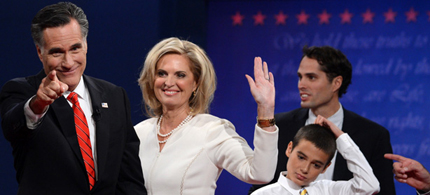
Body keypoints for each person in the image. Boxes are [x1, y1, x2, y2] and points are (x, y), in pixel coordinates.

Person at [0, 2, 146, 194]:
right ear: (39, 52)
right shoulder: (22, 91)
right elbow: (13, 126)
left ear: (86, 45)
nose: (68, 63)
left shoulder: (114, 96)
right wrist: (39, 104)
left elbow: (130, 179)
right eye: (57, 52)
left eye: (75, 48)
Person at [135, 37, 278, 194]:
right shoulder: (139, 133)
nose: (169, 82)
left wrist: (265, 109)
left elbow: (260, 174)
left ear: (196, 83)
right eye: (161, 73)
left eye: (180, 75)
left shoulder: (212, 131)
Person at [250, 46, 395, 194]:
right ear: (290, 148)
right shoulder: (280, 125)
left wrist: (341, 138)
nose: (301, 85)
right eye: (300, 77)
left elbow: (380, 190)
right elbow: (260, 182)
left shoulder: (373, 135)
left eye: (311, 77)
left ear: (336, 83)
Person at [251, 115, 380, 195]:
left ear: (325, 167)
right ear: (289, 149)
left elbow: (369, 186)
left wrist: (340, 137)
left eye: (316, 165)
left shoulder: (329, 191)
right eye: (301, 157)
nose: (305, 169)